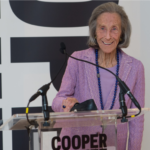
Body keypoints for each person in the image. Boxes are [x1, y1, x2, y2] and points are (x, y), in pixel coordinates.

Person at [52, 2, 145, 150]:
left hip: (114, 145)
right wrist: (66, 104)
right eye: (102, 28)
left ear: (122, 33)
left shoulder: (135, 67)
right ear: (95, 31)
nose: (108, 36)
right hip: (77, 144)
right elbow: (57, 101)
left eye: (114, 29)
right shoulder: (77, 59)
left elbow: (137, 119)